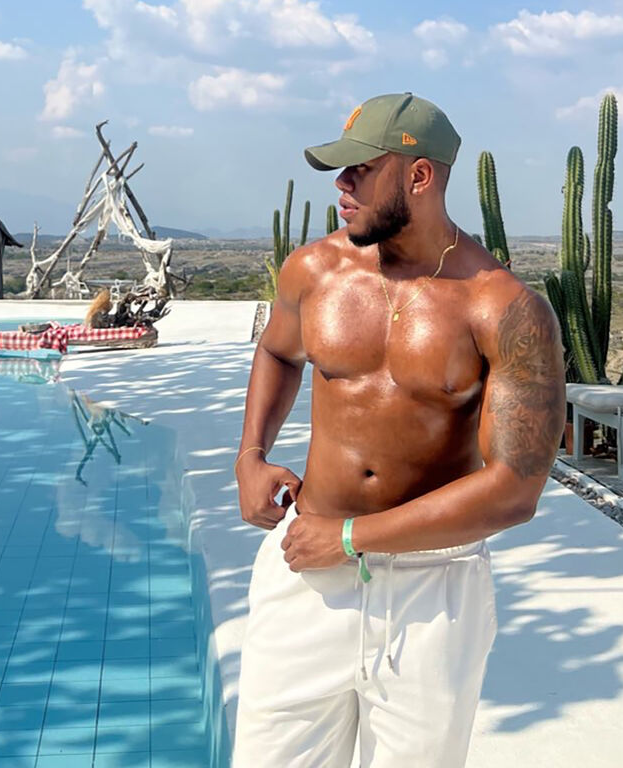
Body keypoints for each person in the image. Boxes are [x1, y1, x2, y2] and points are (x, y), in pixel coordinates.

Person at [232, 92, 565, 768]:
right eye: (341, 170)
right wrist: (252, 454)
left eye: (361, 169)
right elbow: (278, 351)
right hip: (307, 575)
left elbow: (514, 491)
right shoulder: (314, 271)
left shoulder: (504, 308)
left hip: (431, 589)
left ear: (419, 175)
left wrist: (349, 538)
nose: (342, 184)